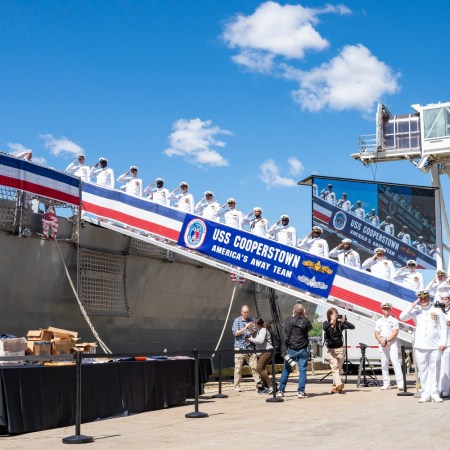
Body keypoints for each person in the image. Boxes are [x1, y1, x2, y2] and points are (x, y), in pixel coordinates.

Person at [400, 290, 447, 403]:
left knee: (435, 369)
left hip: (434, 345)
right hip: (420, 345)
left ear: (429, 298)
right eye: (421, 298)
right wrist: (413, 305)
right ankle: (425, 392)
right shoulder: (417, 311)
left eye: (425, 298)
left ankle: (434, 393)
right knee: (422, 369)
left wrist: (443, 342)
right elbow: (402, 317)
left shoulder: (437, 311)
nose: (423, 300)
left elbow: (443, 327)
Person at [277, 303, 312, 399]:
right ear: (303, 311)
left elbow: (284, 329)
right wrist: (304, 316)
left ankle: (281, 391)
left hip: (291, 349)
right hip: (302, 349)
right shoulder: (305, 321)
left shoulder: (288, 320)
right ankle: (301, 392)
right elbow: (310, 328)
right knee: (302, 371)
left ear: (293, 311)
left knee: (286, 369)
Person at [323, 308, 355, 394]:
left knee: (338, 369)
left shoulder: (340, 324)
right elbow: (324, 328)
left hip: (340, 349)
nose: (335, 316)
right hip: (331, 350)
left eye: (336, 314)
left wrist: (344, 321)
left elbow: (352, 327)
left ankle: (335, 387)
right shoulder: (326, 323)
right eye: (333, 314)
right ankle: (339, 384)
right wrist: (331, 322)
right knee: (334, 367)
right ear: (329, 315)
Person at [374, 302, 404, 390]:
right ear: (382, 309)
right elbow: (376, 333)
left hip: (392, 343)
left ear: (390, 309)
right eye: (384, 308)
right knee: (384, 364)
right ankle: (386, 383)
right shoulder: (379, 321)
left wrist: (386, 341)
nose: (386, 310)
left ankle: (400, 383)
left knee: (395, 362)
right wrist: (381, 340)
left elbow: (395, 333)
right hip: (382, 342)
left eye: (388, 309)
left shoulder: (394, 320)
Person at [231, 305, 261, 392]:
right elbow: (235, 333)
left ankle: (258, 384)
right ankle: (236, 386)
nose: (246, 314)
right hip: (239, 347)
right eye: (245, 312)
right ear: (241, 312)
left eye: (247, 312)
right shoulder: (237, 321)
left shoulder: (251, 320)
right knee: (238, 368)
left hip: (249, 347)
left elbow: (253, 332)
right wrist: (244, 327)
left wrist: (251, 327)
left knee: (254, 367)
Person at [247, 317, 274, 394]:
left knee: (259, 368)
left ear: (257, 324)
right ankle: (266, 386)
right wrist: (251, 328)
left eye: (254, 323)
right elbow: (253, 333)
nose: (253, 325)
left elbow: (260, 340)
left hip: (267, 351)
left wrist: (251, 339)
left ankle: (270, 386)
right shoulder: (260, 330)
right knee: (261, 369)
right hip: (264, 352)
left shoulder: (263, 330)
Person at [438, 291, 450, 397]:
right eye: (443, 298)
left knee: (446, 366)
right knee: (437, 366)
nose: (444, 300)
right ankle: (438, 388)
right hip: (437, 342)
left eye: (446, 299)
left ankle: (445, 389)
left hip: (448, 342)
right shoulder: (436, 310)